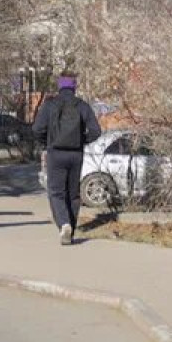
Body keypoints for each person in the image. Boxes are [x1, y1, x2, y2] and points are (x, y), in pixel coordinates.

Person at [32, 71, 102, 245]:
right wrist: (81, 141)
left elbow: (37, 129)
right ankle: (70, 230)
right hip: (76, 154)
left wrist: (48, 142)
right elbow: (96, 131)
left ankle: (64, 224)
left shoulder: (50, 105)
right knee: (73, 194)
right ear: (74, 86)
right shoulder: (82, 106)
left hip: (55, 153)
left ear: (59, 85)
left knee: (56, 192)